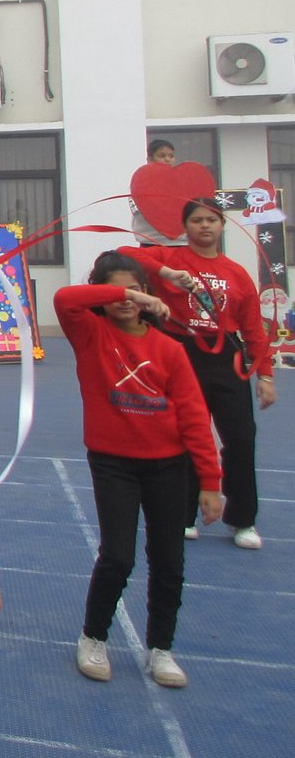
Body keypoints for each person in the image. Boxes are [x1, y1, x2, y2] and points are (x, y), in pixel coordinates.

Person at [54, 252, 222, 689]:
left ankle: (160, 648)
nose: (126, 300)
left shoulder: (169, 349)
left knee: (168, 560)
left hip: (168, 465)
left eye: (135, 291)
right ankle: (93, 637)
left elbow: (194, 416)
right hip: (113, 464)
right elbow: (66, 298)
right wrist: (128, 294)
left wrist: (210, 481)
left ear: (148, 293)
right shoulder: (90, 334)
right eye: (115, 292)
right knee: (118, 556)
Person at [120, 199, 276, 549]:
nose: (204, 226)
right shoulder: (170, 258)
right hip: (181, 354)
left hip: (225, 358)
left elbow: (253, 329)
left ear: (222, 225)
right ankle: (185, 515)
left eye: (211, 220)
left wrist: (265, 376)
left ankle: (243, 520)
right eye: (196, 220)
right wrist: (166, 273)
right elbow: (125, 255)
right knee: (184, 435)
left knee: (241, 437)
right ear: (185, 227)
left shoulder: (237, 273)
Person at [130, 139, 186, 247]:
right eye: (162, 156)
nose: (167, 159)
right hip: (150, 242)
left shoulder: (182, 181)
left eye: (171, 156)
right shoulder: (141, 183)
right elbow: (138, 209)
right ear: (150, 159)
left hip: (182, 243)